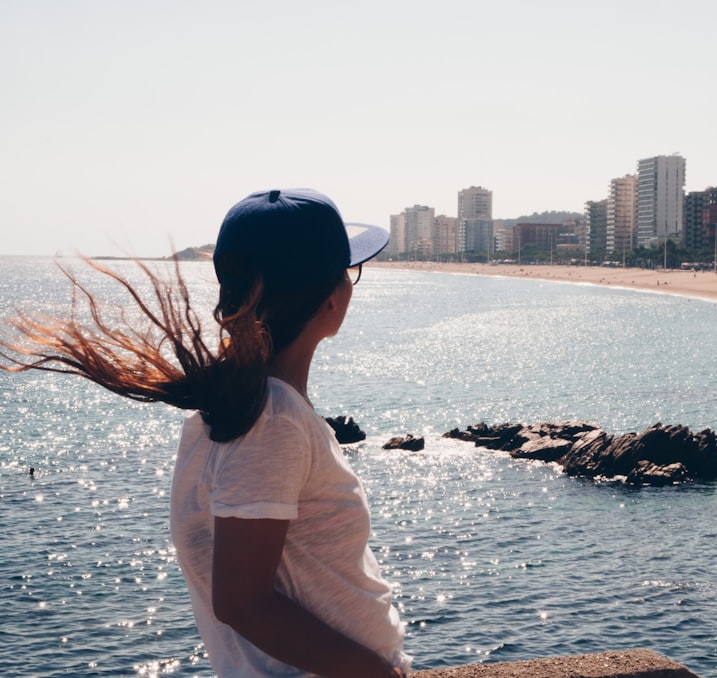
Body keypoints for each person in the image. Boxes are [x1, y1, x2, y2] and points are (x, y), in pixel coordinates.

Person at [0, 188, 410, 677]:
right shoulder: (272, 420)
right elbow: (243, 602)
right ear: (327, 298)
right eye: (349, 272)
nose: (350, 286)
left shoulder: (236, 405)